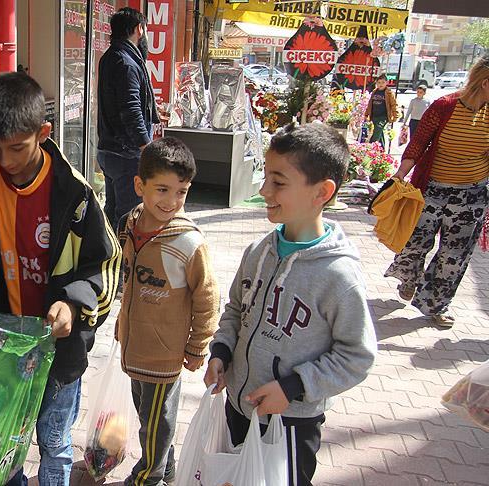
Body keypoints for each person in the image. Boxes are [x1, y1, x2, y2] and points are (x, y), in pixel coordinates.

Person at [0, 72, 121, 486]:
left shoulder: (74, 196)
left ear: (44, 132)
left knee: (54, 442)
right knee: (0, 438)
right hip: (0, 348)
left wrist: (74, 305)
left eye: (18, 148)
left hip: (57, 352)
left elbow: (107, 265)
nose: (6, 161)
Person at [204, 123, 377, 486]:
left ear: (322, 192)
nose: (264, 190)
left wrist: (294, 387)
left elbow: (357, 355)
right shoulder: (258, 252)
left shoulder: (338, 277)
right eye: (265, 177)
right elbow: (235, 309)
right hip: (238, 407)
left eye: (278, 182)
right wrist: (222, 351)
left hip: (292, 424)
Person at [115, 138, 220, 486]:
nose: (171, 201)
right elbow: (127, 282)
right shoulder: (128, 225)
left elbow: (208, 298)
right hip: (135, 345)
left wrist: (197, 346)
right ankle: (167, 464)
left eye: (182, 192)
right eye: (162, 189)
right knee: (149, 416)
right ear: (139, 185)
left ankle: (148, 476)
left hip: (164, 354)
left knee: (156, 421)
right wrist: (121, 323)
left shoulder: (188, 243)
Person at [386, 55, 489, 327]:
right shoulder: (445, 106)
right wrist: (400, 174)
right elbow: (418, 144)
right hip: (431, 191)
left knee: (455, 254)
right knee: (415, 243)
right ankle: (409, 278)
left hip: (473, 195)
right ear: (486, 83)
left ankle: (436, 304)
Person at [97, 7, 160, 231]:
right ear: (138, 29)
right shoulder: (127, 63)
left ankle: (109, 258)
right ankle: (124, 262)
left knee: (113, 212)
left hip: (110, 150)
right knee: (129, 216)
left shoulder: (110, 57)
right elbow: (130, 109)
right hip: (125, 153)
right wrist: (146, 144)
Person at [365, 75, 398, 148]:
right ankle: (382, 149)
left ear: (386, 83)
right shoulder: (374, 92)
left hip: (383, 117)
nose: (381, 84)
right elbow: (370, 104)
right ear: (376, 83)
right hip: (374, 116)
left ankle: (371, 148)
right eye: (379, 82)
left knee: (376, 132)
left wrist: (395, 115)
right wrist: (367, 114)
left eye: (383, 82)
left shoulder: (389, 93)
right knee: (380, 132)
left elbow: (394, 104)